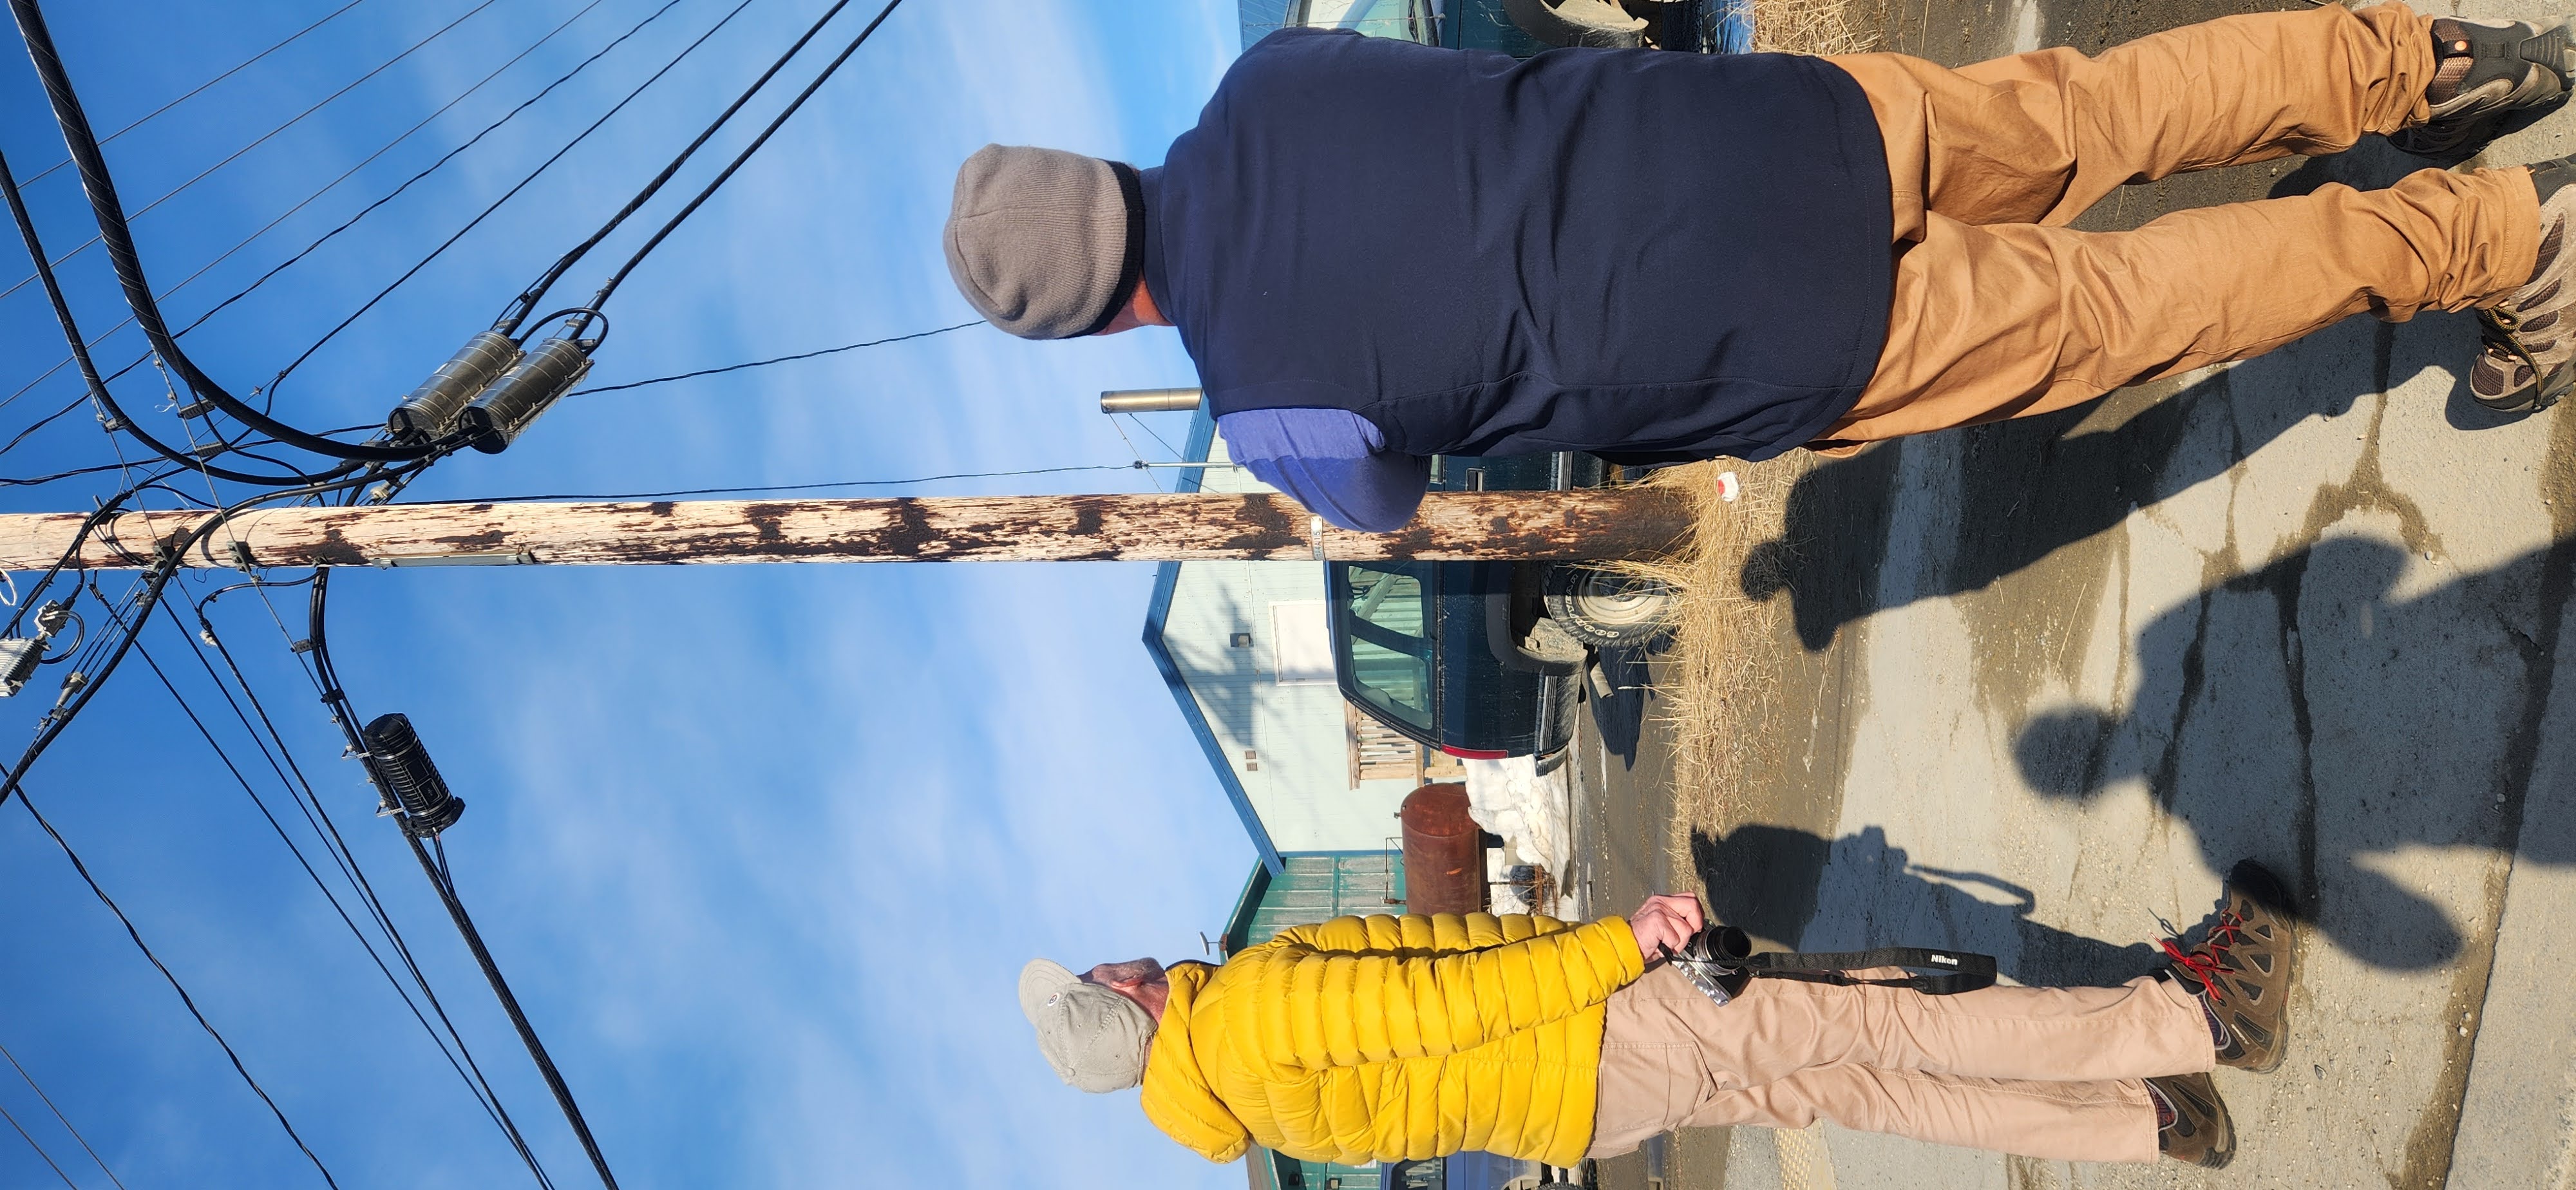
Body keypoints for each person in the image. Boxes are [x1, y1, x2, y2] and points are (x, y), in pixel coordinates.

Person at [942, 5, 2576, 533]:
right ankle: (2419, 59)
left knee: (2137, 305)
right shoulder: (1276, 73)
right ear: (1090, 177)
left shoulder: (1264, 410)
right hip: (1794, 127)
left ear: (1091, 312)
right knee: (2107, 108)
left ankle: (2504, 240)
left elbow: (1395, 501)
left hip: (1793, 331)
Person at [1018, 861, 2300, 1169]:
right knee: (1887, 1025)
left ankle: (2148, 1125)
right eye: (1097, 972)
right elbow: (1450, 1001)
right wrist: (1614, 945)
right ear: (1123, 997)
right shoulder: (1238, 1014)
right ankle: (2193, 1018)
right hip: (1600, 1029)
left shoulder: (1242, 1113)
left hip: (1580, 1111)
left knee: (1865, 1090)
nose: (1111, 956)